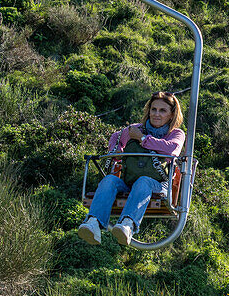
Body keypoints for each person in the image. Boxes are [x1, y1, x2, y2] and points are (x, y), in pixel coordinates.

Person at [77, 91, 185, 246]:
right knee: (109, 180)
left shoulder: (175, 134)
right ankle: (93, 223)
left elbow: (172, 150)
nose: (156, 114)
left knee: (143, 182)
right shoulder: (137, 129)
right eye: (153, 109)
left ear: (171, 114)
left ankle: (128, 224)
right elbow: (116, 138)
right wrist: (116, 152)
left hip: (157, 185)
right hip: (130, 182)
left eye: (162, 111)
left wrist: (142, 139)